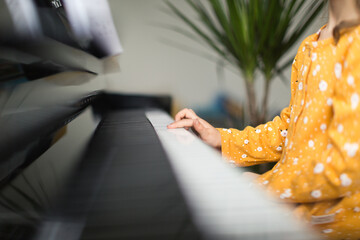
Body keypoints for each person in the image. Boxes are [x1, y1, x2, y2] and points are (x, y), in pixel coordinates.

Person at [167, 0, 360, 239]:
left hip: (333, 223)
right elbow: (288, 131)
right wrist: (223, 140)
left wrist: (268, 188)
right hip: (293, 205)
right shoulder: (310, 46)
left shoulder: (356, 45)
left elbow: (347, 167)